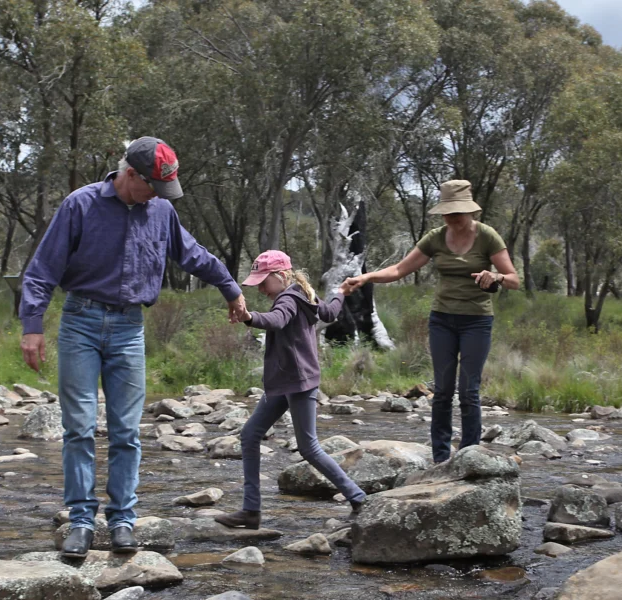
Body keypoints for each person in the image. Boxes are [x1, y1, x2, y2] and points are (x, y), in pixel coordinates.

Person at [19, 136, 247, 558]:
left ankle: (122, 519)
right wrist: (32, 325)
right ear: (130, 175)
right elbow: (42, 269)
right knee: (80, 428)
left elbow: (192, 254)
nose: (157, 196)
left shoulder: (160, 210)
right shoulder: (80, 205)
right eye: (152, 187)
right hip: (80, 323)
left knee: (126, 431)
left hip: (129, 327)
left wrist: (230, 289)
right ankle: (82, 521)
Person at [342, 179, 519, 463]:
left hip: (477, 320)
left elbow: (514, 280)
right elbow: (400, 269)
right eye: (447, 213)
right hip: (442, 320)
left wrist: (496, 276)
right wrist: (366, 277)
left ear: (469, 211)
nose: (451, 218)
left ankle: (470, 455)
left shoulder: (488, 237)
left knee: (469, 390)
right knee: (443, 390)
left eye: (456, 212)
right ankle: (440, 458)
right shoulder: (435, 237)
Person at [215, 250, 368, 529]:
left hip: (298, 383)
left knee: (309, 447)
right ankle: (251, 511)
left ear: (282, 275)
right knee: (250, 434)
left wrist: (249, 317)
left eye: (263, 281)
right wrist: (341, 291)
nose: (260, 287)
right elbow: (331, 312)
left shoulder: (288, 298)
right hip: (284, 382)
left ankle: (358, 497)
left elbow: (276, 320)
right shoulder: (304, 294)